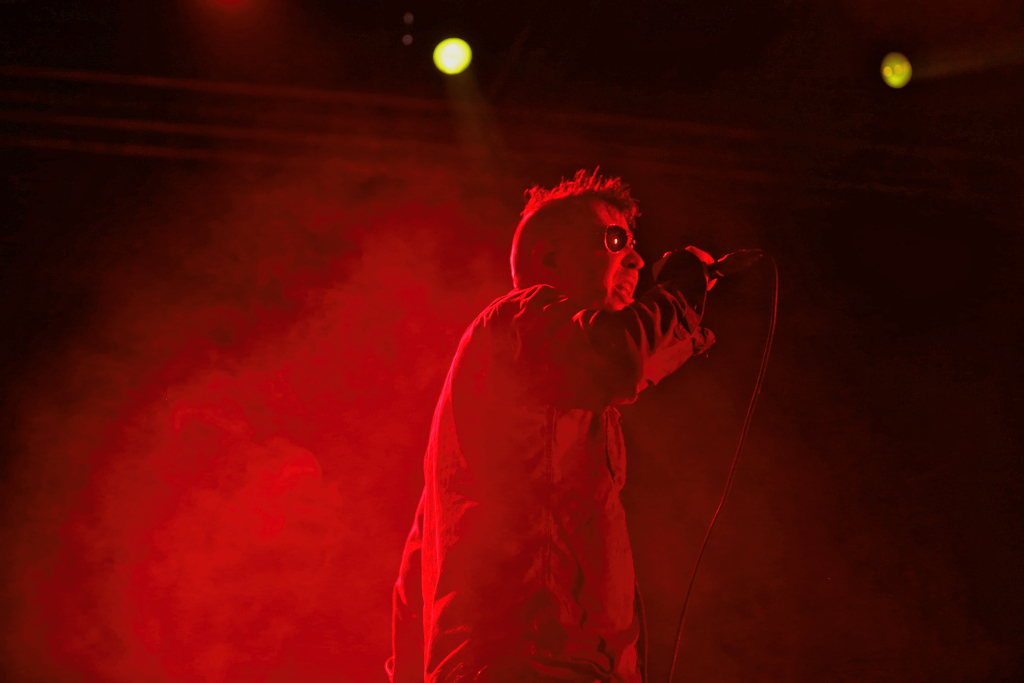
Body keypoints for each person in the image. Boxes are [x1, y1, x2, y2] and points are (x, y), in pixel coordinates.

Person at [387, 170, 729, 683]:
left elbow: (416, 577)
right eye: (615, 241)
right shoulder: (521, 318)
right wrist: (683, 290)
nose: (637, 260)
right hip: (538, 657)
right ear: (549, 259)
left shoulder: (503, 398)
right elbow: (622, 356)